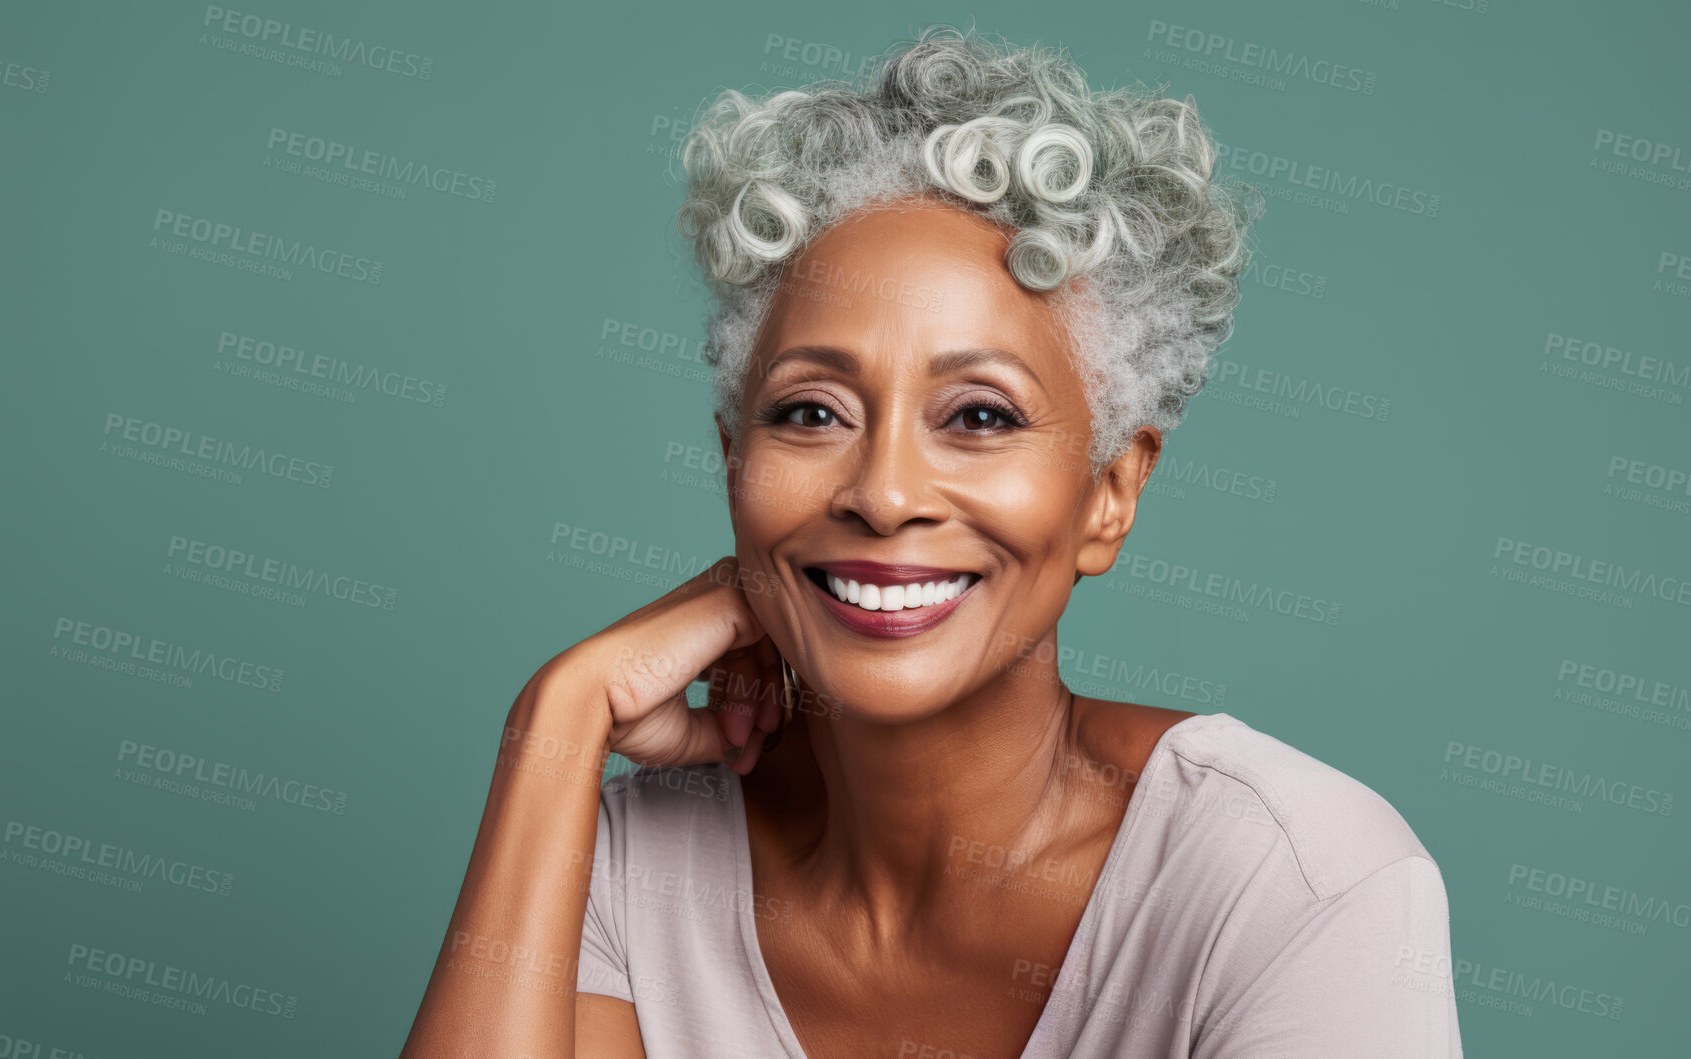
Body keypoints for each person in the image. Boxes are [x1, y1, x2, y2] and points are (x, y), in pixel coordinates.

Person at [401, 24, 1462, 1058]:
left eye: (979, 416)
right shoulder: (630, 870)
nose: (883, 492)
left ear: (1109, 493)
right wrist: (554, 724)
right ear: (734, 461)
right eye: (811, 413)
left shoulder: (1291, 882)